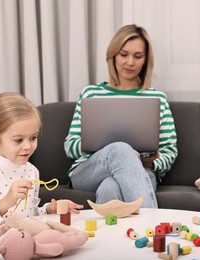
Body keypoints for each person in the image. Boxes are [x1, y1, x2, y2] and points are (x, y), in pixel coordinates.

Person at [64, 24, 178, 208]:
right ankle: (153, 230)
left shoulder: (157, 98)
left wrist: (146, 163)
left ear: (145, 60)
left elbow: (169, 151)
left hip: (142, 169)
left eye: (138, 56)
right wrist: (108, 150)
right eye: (124, 54)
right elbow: (70, 146)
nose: (130, 62)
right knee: (121, 149)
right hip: (89, 170)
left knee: (110, 187)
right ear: (113, 55)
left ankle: (106, 237)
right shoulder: (91, 93)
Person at [0, 92, 83, 242]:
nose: (28, 146)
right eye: (18, 140)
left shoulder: (31, 171)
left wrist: (49, 209)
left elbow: (28, 215)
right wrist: (4, 203)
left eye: (33, 138)